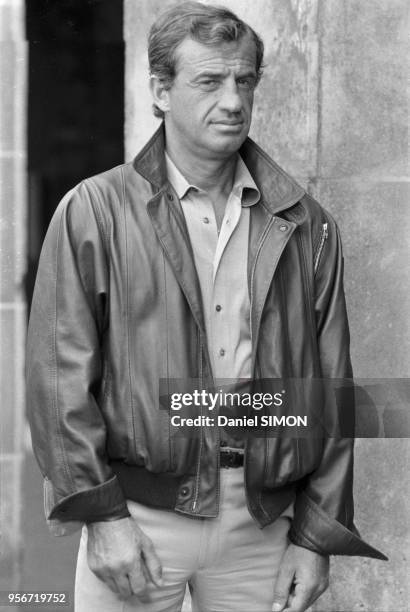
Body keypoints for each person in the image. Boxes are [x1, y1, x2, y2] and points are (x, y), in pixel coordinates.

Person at [26, 2, 386, 611]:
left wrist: (316, 536)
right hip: (138, 519)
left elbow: (330, 391)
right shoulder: (94, 212)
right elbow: (59, 382)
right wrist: (102, 518)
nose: (233, 100)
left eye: (244, 80)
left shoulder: (306, 227)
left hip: (263, 524)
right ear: (161, 91)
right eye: (210, 81)